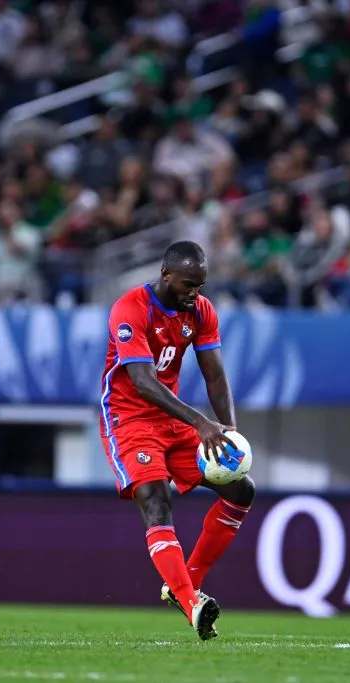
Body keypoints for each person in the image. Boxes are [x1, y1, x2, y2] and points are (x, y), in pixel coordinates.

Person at [100, 240, 255, 641]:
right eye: (188, 284)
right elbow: (143, 382)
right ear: (166, 275)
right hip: (129, 419)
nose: (194, 293)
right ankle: (192, 604)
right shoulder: (130, 309)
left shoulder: (201, 310)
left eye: (200, 285)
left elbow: (215, 377)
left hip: (173, 421)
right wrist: (201, 423)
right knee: (156, 499)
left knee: (241, 490)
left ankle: (187, 582)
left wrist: (229, 431)